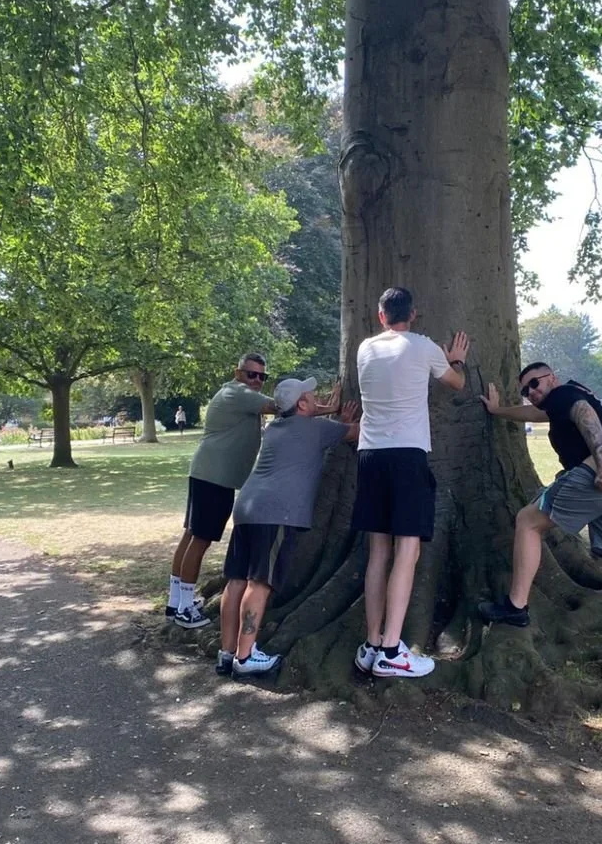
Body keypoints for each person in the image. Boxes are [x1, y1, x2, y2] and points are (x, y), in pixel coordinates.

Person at [480, 361, 602, 697]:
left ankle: (516, 607)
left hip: (600, 476)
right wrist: (498, 411)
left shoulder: (565, 394)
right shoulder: (558, 402)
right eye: (525, 390)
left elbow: (583, 415)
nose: (532, 392)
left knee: (527, 521)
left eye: (535, 383)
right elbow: (536, 414)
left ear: (552, 378)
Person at [352, 286, 470, 681]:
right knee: (408, 550)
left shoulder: (365, 349)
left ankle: (372, 643)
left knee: (378, 552)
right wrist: (454, 360)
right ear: (413, 314)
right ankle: (391, 650)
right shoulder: (423, 347)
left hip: (369, 456)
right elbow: (456, 384)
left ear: (380, 315)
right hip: (407, 456)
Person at [216, 377, 359, 678]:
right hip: (277, 513)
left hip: (247, 507)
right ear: (303, 404)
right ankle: (245, 657)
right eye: (310, 394)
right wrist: (343, 420)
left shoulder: (274, 428)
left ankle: (227, 653)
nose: (316, 395)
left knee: (236, 581)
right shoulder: (317, 429)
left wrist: (331, 416)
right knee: (260, 583)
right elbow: (356, 433)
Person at [166, 354, 276, 625]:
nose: (257, 381)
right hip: (215, 477)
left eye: (263, 377)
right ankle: (184, 610)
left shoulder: (236, 392)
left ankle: (175, 602)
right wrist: (322, 407)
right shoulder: (238, 392)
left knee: (191, 535)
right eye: (252, 374)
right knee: (200, 540)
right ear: (238, 373)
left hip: (208, 473)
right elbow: (278, 406)